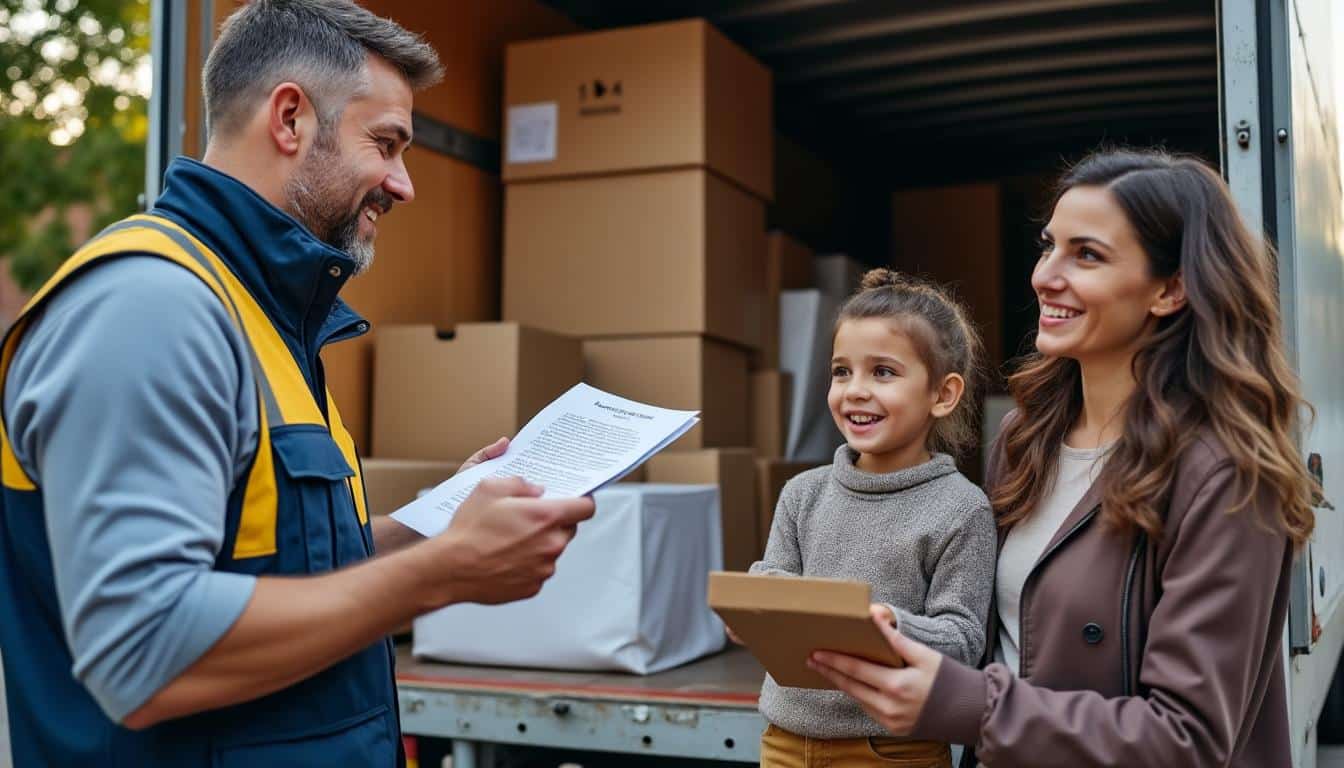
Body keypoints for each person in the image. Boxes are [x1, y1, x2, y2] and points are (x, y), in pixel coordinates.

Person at [0, 2, 595, 765]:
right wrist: (439, 573)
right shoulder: (150, 308)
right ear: (290, 119)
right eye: (386, 144)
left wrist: (435, 523)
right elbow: (142, 651)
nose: (404, 185)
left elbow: (286, 561)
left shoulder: (262, 313)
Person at [807, 148, 1316, 767]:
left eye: (1087, 255)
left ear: (1170, 289)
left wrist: (968, 705)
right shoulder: (1024, 438)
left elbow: (1187, 739)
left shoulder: (1226, 475)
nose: (1045, 276)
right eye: (1049, 246)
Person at [742, 269, 997, 767]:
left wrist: (891, 625)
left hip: (892, 748)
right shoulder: (802, 493)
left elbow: (963, 639)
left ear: (942, 395)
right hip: (784, 740)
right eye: (842, 371)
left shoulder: (962, 509)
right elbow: (776, 575)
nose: (855, 390)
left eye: (882, 372)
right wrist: (756, 606)